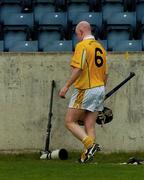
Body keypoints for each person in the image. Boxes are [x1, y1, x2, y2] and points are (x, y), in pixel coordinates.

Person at [59, 21, 108, 163]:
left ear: (81, 31)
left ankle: (90, 145)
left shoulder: (82, 46)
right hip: (100, 88)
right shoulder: (101, 48)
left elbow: (78, 68)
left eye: (77, 34)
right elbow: (106, 74)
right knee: (89, 125)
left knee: (69, 121)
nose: (77, 38)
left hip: (86, 88)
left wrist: (66, 86)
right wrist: (101, 91)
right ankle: (88, 157)